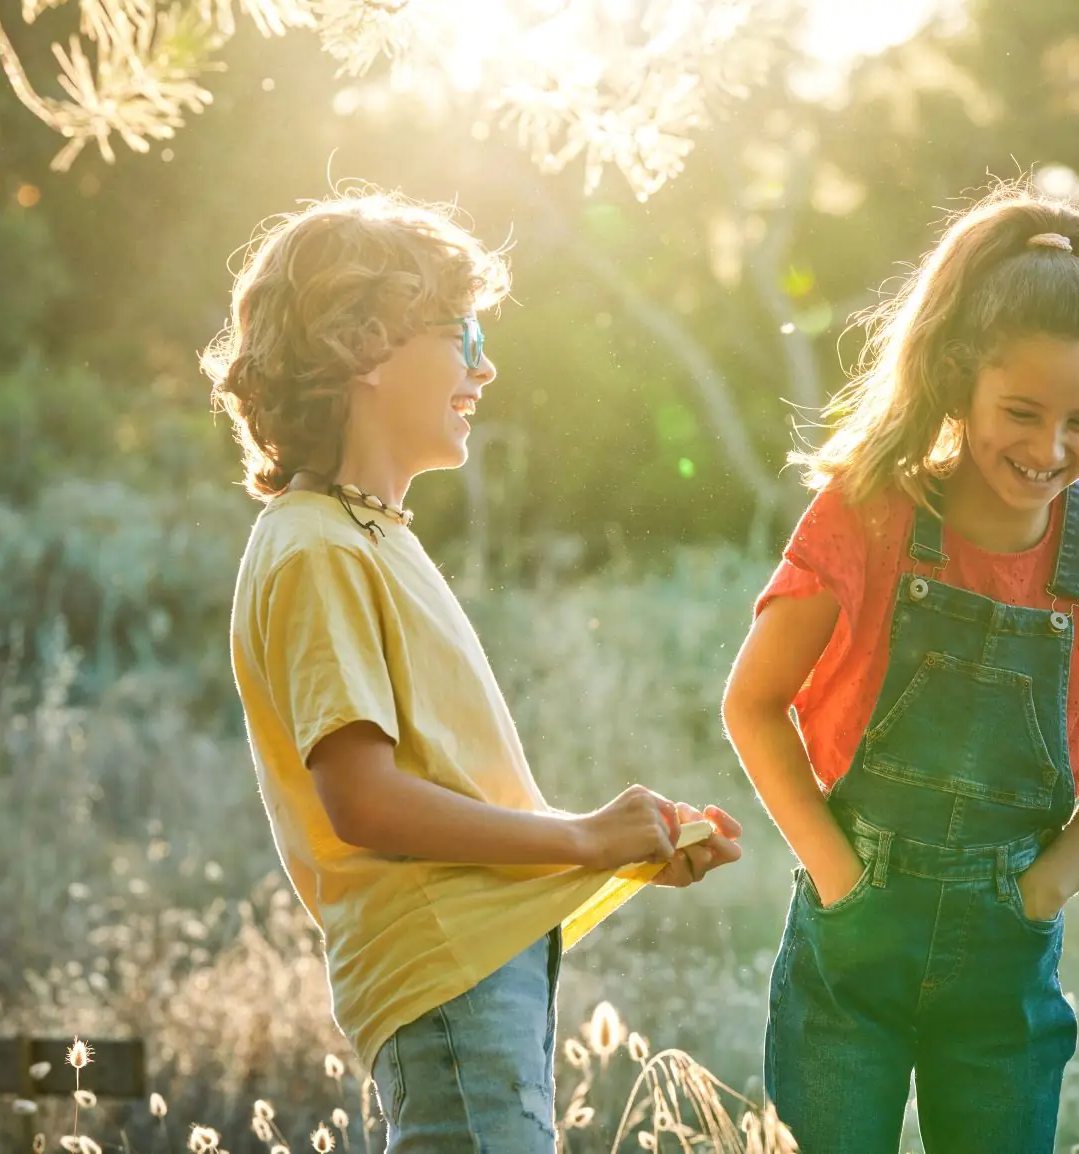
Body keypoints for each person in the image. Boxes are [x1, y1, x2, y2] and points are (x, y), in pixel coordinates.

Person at [203, 191, 742, 1153]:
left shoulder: (371, 535)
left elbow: (439, 790)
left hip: (477, 971)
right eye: (464, 332)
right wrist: (579, 837)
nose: (485, 364)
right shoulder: (316, 547)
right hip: (446, 977)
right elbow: (364, 803)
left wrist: (611, 845)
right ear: (362, 347)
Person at [721, 183, 1079, 1154]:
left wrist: (1045, 888)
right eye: (1021, 411)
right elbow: (752, 701)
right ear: (959, 380)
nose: (1047, 448)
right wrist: (836, 872)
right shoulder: (867, 511)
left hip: (1006, 949)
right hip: (854, 932)